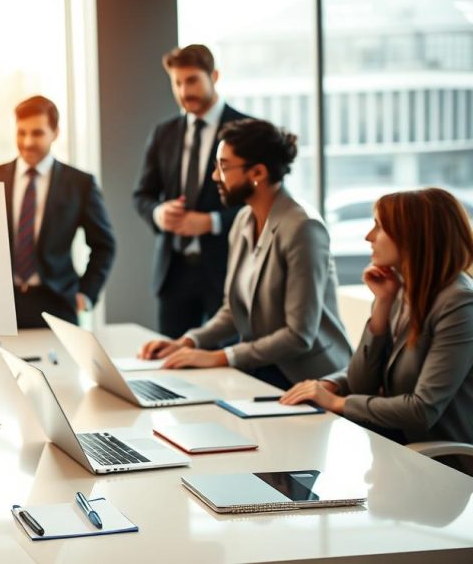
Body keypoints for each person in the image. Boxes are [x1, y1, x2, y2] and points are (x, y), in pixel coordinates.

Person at [138, 118, 352, 389]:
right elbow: (233, 310)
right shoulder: (243, 221)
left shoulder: (302, 227)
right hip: (262, 370)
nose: (215, 176)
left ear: (258, 173)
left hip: (309, 379)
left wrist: (219, 357)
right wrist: (188, 341)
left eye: (223, 166)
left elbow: (299, 335)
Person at [281, 188, 473, 475]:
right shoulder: (401, 290)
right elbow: (361, 384)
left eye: (379, 226)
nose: (369, 236)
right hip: (393, 451)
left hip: (442, 465)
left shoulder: (458, 303)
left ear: (413, 235)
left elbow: (422, 410)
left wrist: (338, 402)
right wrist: (381, 307)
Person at [133, 44, 250, 339]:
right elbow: (142, 195)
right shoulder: (164, 133)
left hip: (225, 271)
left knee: (222, 365)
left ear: (215, 76)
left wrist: (211, 222)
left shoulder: (245, 131)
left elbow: (259, 200)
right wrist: (159, 214)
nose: (185, 91)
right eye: (178, 82)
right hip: (173, 273)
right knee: (172, 362)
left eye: (193, 80)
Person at [0, 95, 115, 328]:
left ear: (55, 132)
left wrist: (87, 294)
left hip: (57, 303)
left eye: (37, 133)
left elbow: (104, 245)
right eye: (21, 133)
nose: (28, 142)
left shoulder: (81, 184)